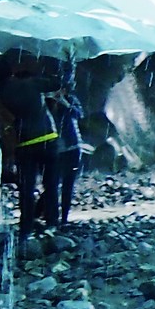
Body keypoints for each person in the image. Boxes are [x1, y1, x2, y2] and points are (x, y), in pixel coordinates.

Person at [0, 60, 60, 233]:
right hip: (48, 139)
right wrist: (63, 68)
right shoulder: (31, 83)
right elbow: (57, 84)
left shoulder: (4, 93)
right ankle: (51, 222)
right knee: (51, 184)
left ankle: (26, 226)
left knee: (26, 188)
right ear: (11, 72)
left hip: (25, 143)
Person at [50, 78, 86, 227]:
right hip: (55, 150)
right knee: (51, 184)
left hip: (73, 148)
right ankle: (50, 217)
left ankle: (64, 218)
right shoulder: (46, 102)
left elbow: (79, 115)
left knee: (68, 185)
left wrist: (65, 103)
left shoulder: (71, 100)